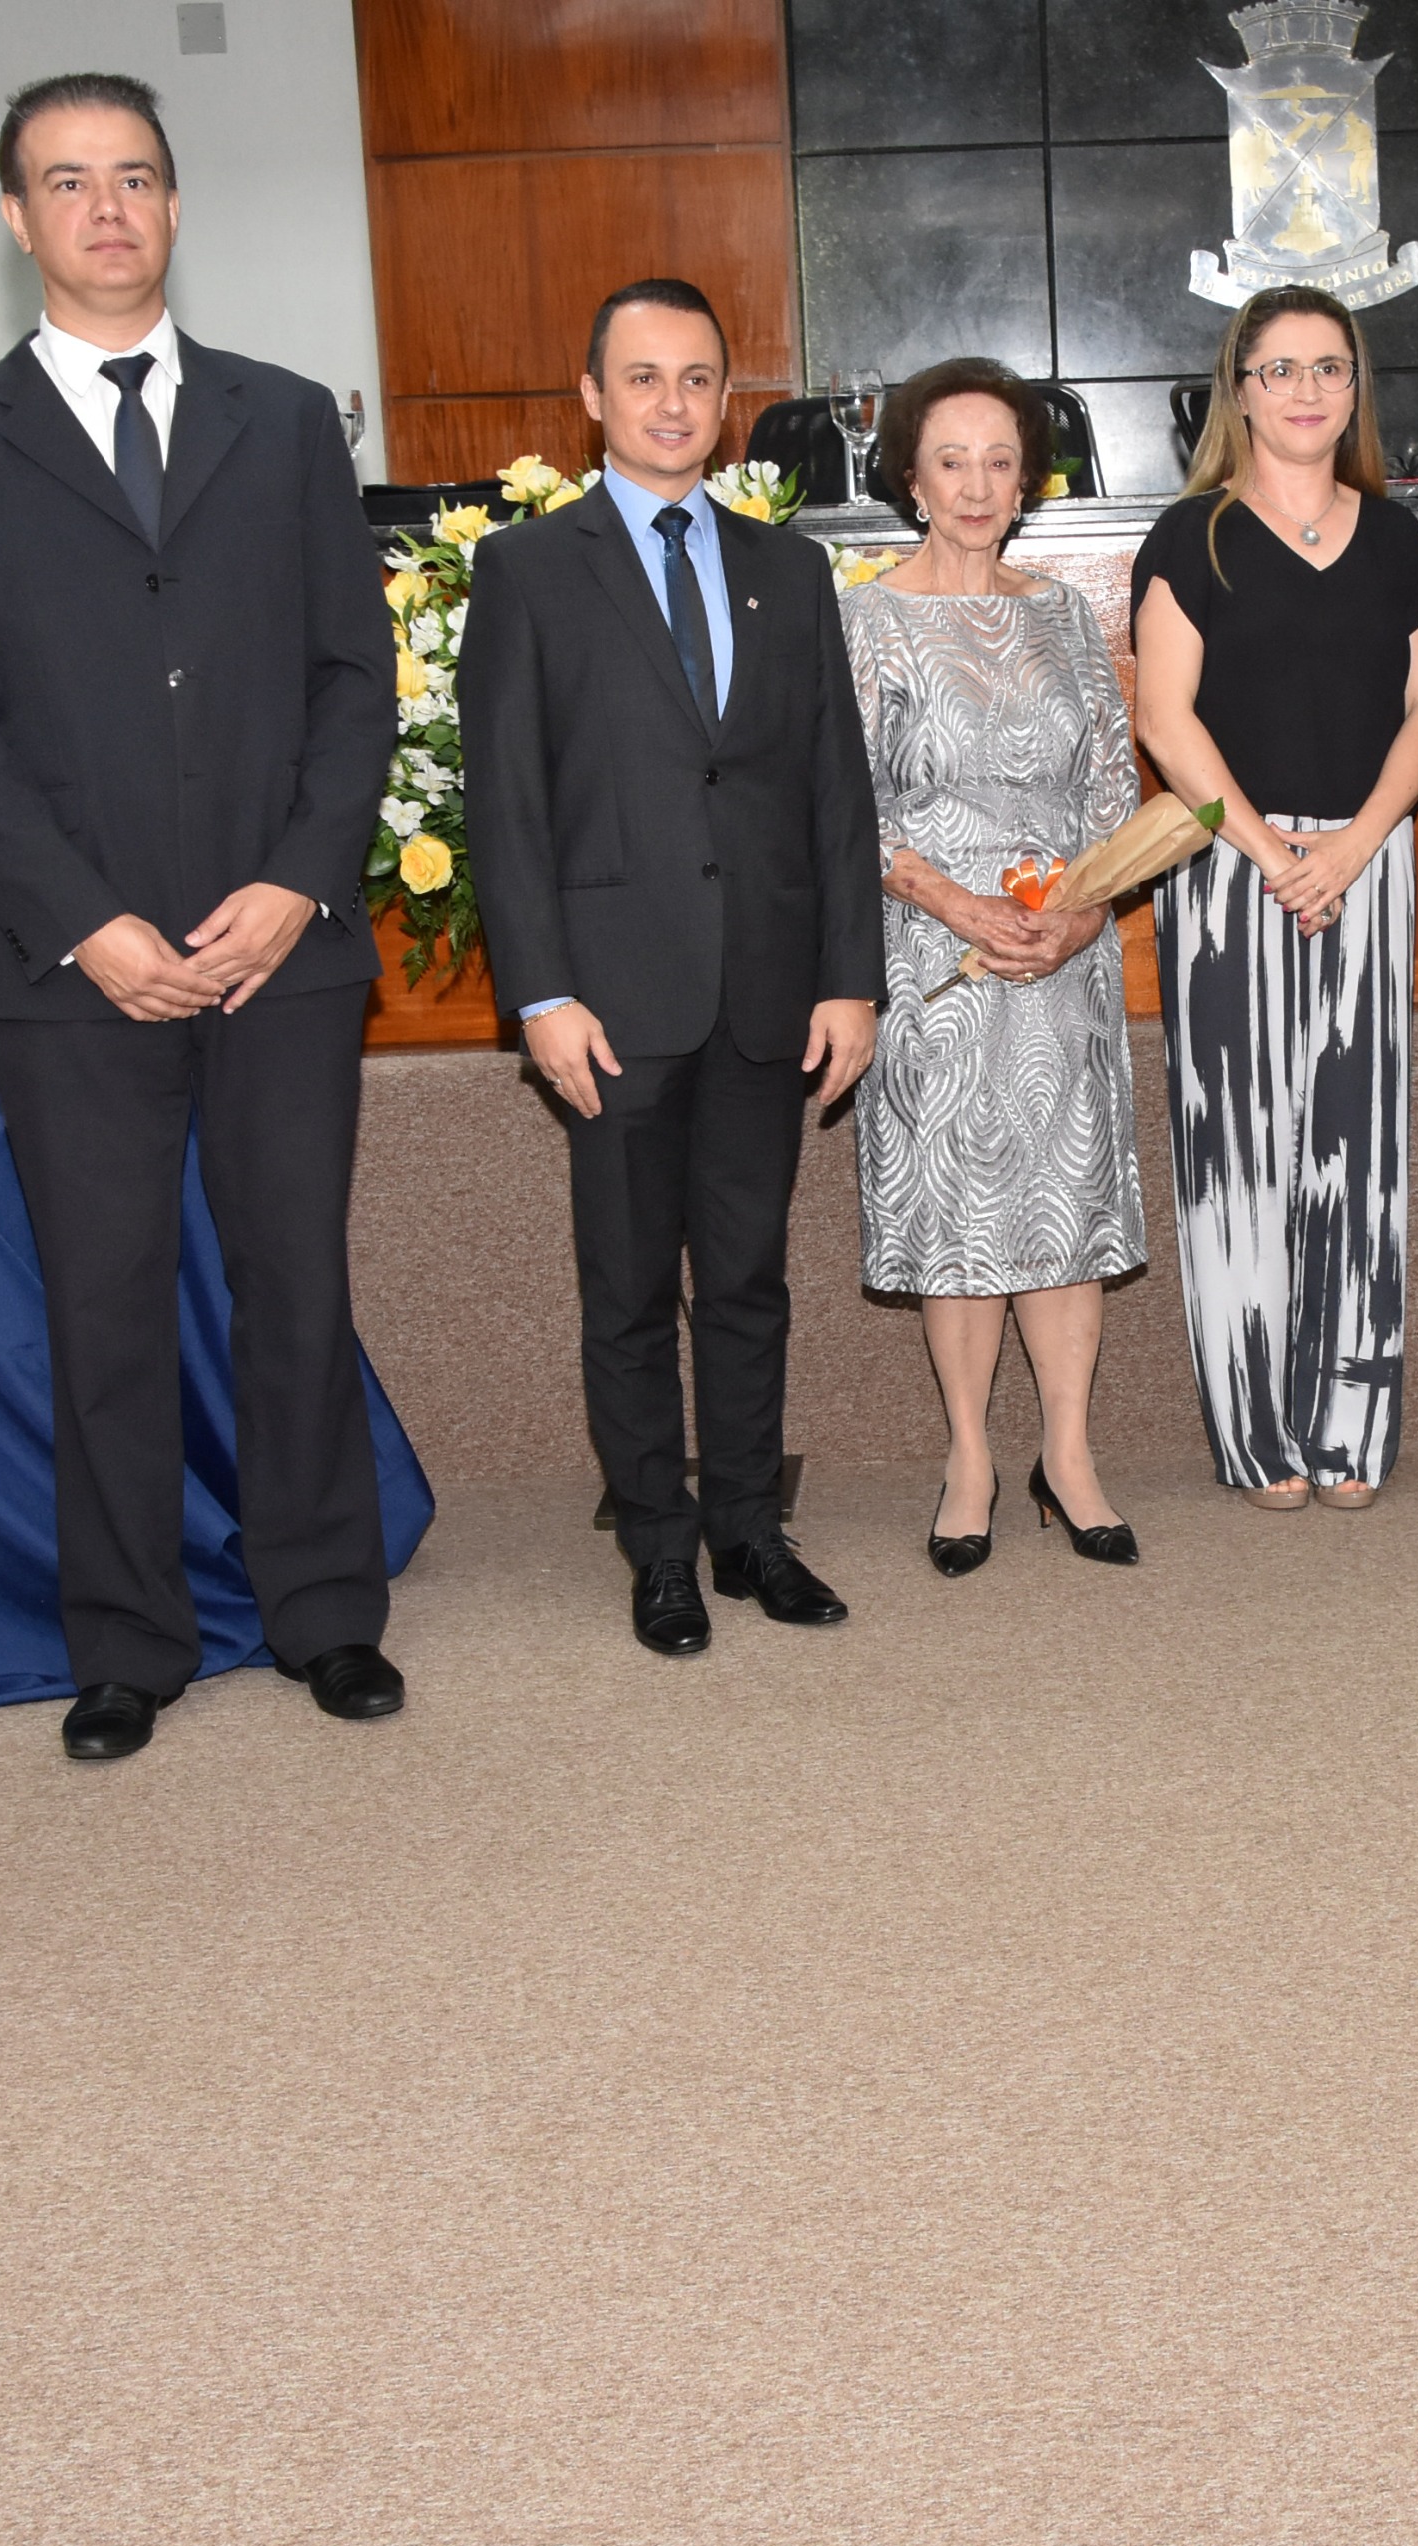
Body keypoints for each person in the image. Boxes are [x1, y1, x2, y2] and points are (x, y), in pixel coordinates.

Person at [0, 72, 406, 1760]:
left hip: (283, 950)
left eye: (134, 177)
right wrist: (85, 921)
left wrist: (296, 879)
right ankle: (124, 1640)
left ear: (174, 206)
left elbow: (354, 674)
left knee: (293, 1287)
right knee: (102, 1308)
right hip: (71, 968)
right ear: (16, 217)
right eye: (67, 180)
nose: (106, 208)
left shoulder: (286, 418)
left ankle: (323, 1606)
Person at [460, 280, 883, 1655]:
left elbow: (834, 791)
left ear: (725, 398)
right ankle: (658, 1546)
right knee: (633, 1290)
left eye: (697, 378)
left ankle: (750, 1529)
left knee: (748, 1282)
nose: (672, 402)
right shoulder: (528, 569)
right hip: (610, 997)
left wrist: (850, 977)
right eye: (642, 377)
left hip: (764, 991)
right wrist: (539, 993)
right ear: (592, 396)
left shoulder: (787, 569)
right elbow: (505, 801)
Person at [1132, 289, 1418, 1510]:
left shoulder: (1395, 540)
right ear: (1240, 390)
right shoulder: (1191, 536)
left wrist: (1353, 847)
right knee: (1238, 1157)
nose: (1306, 390)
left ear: (1354, 388)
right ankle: (1259, 1433)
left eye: (1329, 367)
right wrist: (1271, 854)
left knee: (1356, 1154)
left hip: (1366, 867)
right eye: (1280, 369)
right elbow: (1166, 720)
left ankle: (1349, 1429)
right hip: (1229, 875)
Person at [845, 359, 1149, 1573]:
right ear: (911, 481)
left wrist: (1079, 917)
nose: (975, 487)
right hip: (934, 957)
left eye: (999, 462)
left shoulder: (1066, 615)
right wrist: (957, 902)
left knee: (1062, 1202)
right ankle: (969, 1458)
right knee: (959, 1213)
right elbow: (843, 807)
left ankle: (1067, 1457)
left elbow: (1112, 788)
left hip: (1061, 951)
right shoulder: (865, 619)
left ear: (1026, 482)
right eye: (950, 462)